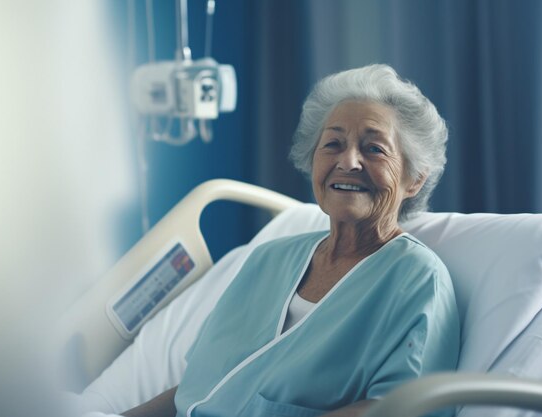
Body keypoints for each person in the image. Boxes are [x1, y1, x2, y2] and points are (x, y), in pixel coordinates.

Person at [122, 64, 460, 417]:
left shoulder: (417, 279)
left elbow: (399, 409)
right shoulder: (268, 259)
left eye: (374, 149)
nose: (348, 161)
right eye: (332, 144)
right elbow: (200, 390)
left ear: (414, 179)